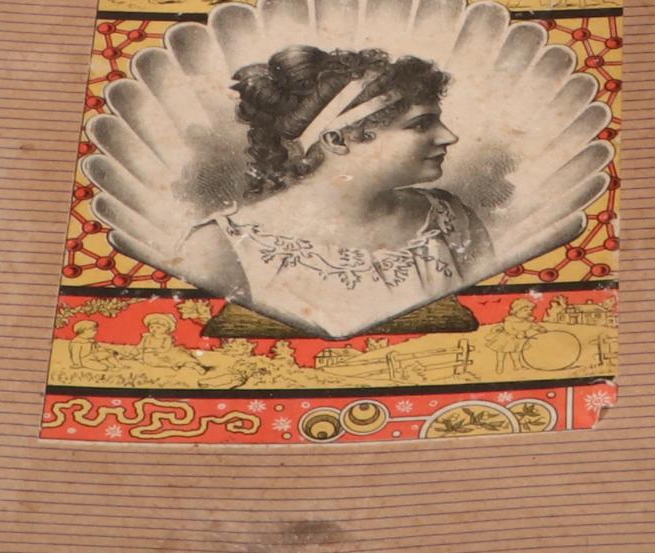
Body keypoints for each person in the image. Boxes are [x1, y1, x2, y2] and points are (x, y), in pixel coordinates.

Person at [108, 44, 493, 338]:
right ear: (337, 140)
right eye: (421, 124)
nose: (449, 136)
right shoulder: (221, 248)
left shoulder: (451, 219)